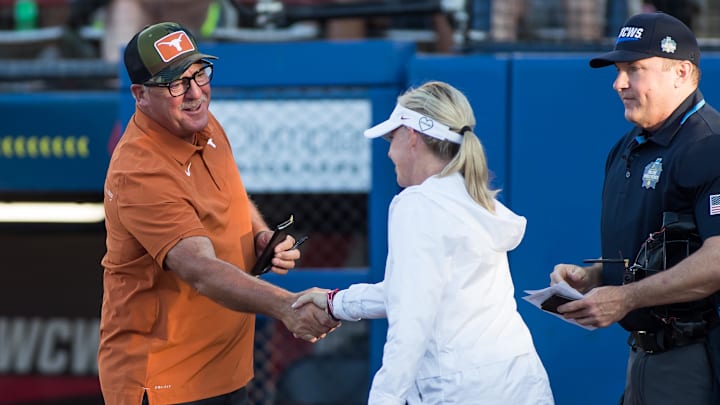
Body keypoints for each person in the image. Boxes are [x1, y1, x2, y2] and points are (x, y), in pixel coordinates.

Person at [98, 21, 338, 405]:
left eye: (199, 74)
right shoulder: (139, 168)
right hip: (165, 381)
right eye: (176, 82)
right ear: (140, 95)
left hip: (223, 371)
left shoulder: (204, 125)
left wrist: (260, 235)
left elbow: (233, 197)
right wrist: (287, 307)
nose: (195, 93)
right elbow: (201, 271)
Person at [293, 81, 554, 404]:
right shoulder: (470, 200)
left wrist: (384, 399)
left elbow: (411, 322)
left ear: (412, 136)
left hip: (461, 391)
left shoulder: (417, 204)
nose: (389, 151)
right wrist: (337, 303)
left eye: (391, 138)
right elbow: (412, 291)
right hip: (522, 380)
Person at [550, 12, 720, 405]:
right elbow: (663, 251)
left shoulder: (709, 145)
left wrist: (626, 298)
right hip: (643, 355)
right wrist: (594, 277)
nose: (618, 83)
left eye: (635, 69)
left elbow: (716, 262)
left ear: (681, 72)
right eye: (618, 70)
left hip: (698, 358)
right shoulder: (628, 147)